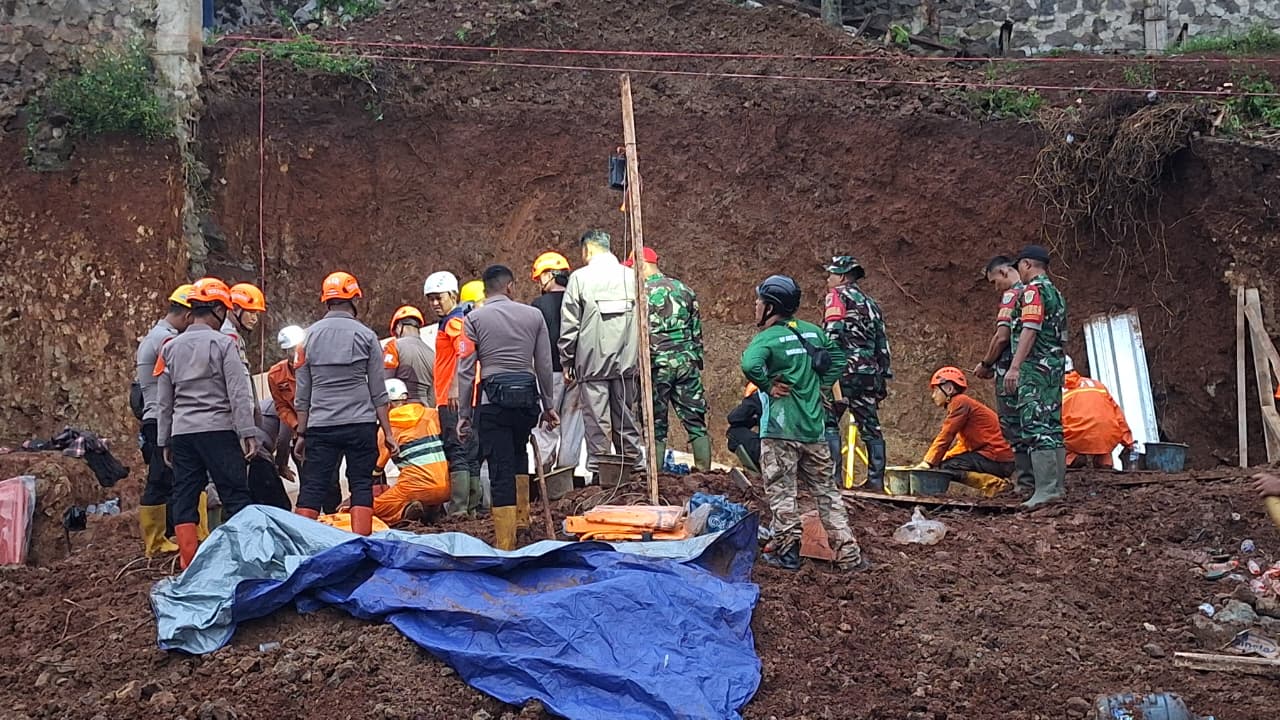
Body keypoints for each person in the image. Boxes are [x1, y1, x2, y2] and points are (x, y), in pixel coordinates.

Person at [741, 274, 863, 572]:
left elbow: (749, 364)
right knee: (827, 493)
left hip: (779, 430)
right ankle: (849, 555)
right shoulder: (813, 333)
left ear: (771, 307)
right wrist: (820, 385)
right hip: (813, 431)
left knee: (783, 492)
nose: (756, 305)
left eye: (759, 301)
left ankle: (787, 552)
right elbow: (838, 358)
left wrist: (768, 385)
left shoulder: (768, 338)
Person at [155, 277, 257, 568]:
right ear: (218, 309)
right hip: (218, 431)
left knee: (185, 496)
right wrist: (247, 432)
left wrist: (164, 439)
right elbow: (238, 393)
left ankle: (189, 564)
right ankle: (244, 561)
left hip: (183, 433)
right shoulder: (225, 344)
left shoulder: (169, 348)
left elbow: (165, 401)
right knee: (235, 494)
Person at [457, 265, 558, 550]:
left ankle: (506, 542)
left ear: (485, 289)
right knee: (518, 452)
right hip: (526, 402)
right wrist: (549, 405)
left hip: (493, 404)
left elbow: (465, 371)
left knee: (500, 467)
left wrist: (464, 415)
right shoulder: (533, 315)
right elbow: (544, 364)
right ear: (510, 286)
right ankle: (522, 520)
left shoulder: (473, 319)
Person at [294, 271, 399, 536]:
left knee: (313, 486)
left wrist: (301, 432)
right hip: (360, 423)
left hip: (321, 425)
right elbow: (378, 389)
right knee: (361, 483)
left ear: (326, 300)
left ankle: (301, 546)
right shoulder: (367, 336)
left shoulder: (306, 338)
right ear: (354, 298)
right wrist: (388, 432)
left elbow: (303, 392)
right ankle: (361, 543)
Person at [559, 230, 645, 479]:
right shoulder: (632, 276)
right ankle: (635, 470)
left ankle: (601, 474)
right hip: (627, 364)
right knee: (626, 419)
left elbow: (570, 324)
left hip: (591, 365)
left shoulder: (579, 278)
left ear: (587, 250)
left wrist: (567, 360)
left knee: (597, 423)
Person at [629, 246, 711, 470]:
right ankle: (704, 472)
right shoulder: (684, 289)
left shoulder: (639, 293)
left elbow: (634, 332)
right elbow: (696, 331)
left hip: (656, 365)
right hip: (686, 363)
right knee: (696, 421)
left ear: (641, 265)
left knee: (655, 424)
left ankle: (655, 475)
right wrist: (695, 360)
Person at [1003, 245, 1069, 508]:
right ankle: (1056, 487)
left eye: (1019, 265)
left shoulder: (1033, 291)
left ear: (1027, 264)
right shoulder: (1056, 293)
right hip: (1053, 367)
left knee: (1036, 426)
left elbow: (1030, 328)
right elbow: (1061, 336)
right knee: (1052, 425)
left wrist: (1015, 366)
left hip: (1035, 370)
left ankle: (1045, 489)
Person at [822, 255, 892, 491]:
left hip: (844, 369)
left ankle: (833, 480)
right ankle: (875, 481)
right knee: (870, 425)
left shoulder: (836, 296)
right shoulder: (871, 304)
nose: (828, 279)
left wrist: (825, 366)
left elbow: (832, 332)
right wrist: (883, 375)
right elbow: (882, 342)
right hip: (869, 372)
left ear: (842, 276)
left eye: (831, 274)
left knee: (828, 420)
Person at [134, 283, 193, 557]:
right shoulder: (165, 340)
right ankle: (155, 540)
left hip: (160, 417)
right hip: (160, 418)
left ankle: (168, 534)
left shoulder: (159, 336)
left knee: (175, 476)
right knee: (159, 478)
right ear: (187, 315)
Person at [423, 270, 482, 515]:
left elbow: (463, 351)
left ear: (453, 295)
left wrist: (456, 387)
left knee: (457, 450)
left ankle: (459, 509)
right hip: (469, 397)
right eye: (431, 299)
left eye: (439, 297)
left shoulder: (453, 321)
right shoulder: (460, 319)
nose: (435, 303)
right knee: (470, 452)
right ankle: (473, 507)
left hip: (453, 399)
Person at [530, 251, 586, 472]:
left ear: (548, 276)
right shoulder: (580, 301)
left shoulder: (538, 305)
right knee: (573, 425)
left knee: (547, 425)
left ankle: (543, 474)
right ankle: (566, 474)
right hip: (578, 373)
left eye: (540, 278)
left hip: (548, 374)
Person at [973, 255, 1027, 487]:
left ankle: (1025, 481)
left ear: (1004, 272)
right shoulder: (1034, 292)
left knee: (1013, 425)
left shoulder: (1011, 295)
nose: (996, 288)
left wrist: (986, 364)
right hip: (1031, 370)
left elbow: (1002, 337)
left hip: (1009, 371)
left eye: (995, 281)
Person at [372, 379, 450, 524]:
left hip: (414, 488)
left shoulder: (387, 429)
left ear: (386, 404)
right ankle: (431, 509)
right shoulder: (431, 414)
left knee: (373, 507)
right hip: (448, 487)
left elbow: (377, 468)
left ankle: (405, 511)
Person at [918, 367, 1014, 477]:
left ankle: (997, 484)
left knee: (948, 466)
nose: (933, 396)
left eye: (936, 390)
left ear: (949, 389)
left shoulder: (959, 402)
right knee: (946, 463)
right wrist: (944, 457)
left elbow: (947, 434)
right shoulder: (962, 403)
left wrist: (928, 462)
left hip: (998, 459)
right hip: (999, 458)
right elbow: (964, 445)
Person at [1062, 356, 1134, 468]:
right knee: (1104, 438)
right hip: (1106, 434)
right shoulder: (1097, 385)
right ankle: (1105, 464)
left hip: (1077, 438)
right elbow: (1118, 416)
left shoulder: (1054, 391)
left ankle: (1072, 459)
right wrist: (1128, 443)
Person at [383, 305, 436, 406]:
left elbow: (386, 383)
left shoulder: (393, 346)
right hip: (424, 412)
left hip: (400, 411)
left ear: (399, 327)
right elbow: (434, 394)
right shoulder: (432, 354)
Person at [249, 396, 293, 511]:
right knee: (281, 505)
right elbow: (284, 439)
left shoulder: (266, 403)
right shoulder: (286, 406)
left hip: (249, 451)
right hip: (259, 454)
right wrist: (281, 465)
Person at [224, 282, 266, 369]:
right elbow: (239, 372)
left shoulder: (223, 330)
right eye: (251, 312)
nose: (255, 319)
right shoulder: (229, 336)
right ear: (234, 308)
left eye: (256, 314)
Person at [726, 383, 763, 473]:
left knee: (733, 432)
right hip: (795, 452)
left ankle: (755, 473)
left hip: (770, 451)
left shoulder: (764, 395)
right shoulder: (795, 394)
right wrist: (755, 419)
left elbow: (733, 418)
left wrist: (749, 397)